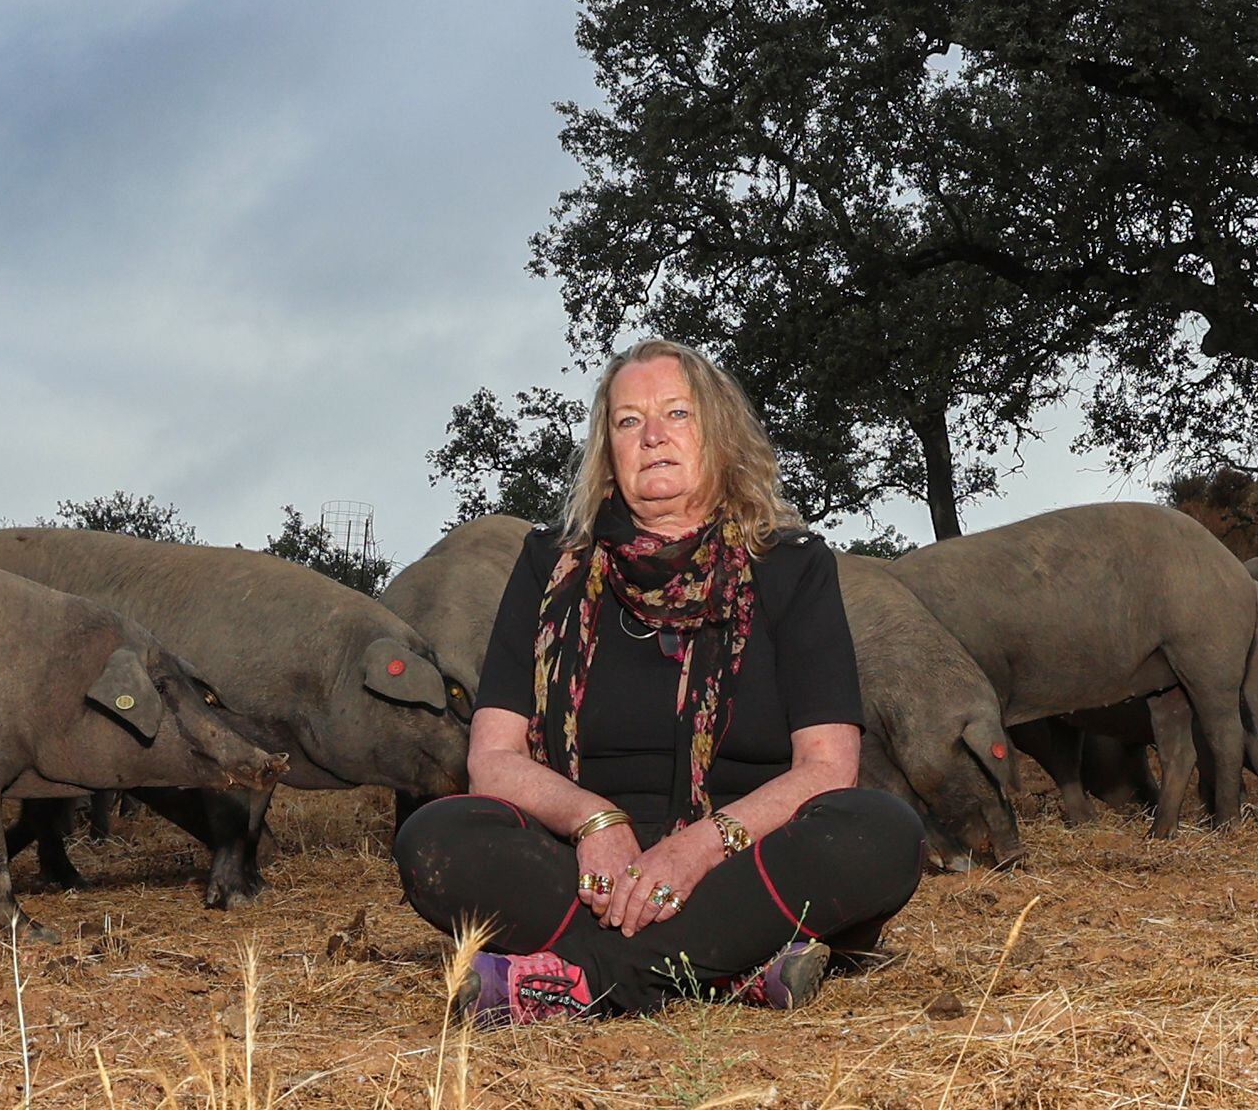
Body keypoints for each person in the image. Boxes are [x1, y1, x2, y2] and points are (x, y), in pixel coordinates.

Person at [391, 340, 925, 1024]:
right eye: (627, 421)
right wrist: (595, 821)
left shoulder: (791, 565)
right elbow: (492, 759)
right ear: (606, 449)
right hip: (579, 873)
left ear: (719, 433)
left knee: (879, 830)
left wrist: (699, 847)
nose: (652, 437)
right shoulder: (547, 564)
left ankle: (585, 981)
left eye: (677, 413)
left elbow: (826, 767)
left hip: (740, 861)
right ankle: (730, 967)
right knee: (434, 840)